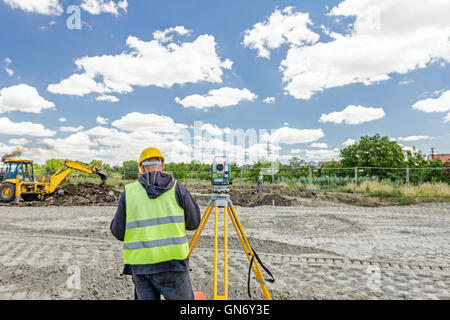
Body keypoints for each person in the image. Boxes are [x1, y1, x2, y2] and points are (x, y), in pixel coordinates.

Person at [110, 147, 201, 300]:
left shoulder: (129, 192)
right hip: (173, 264)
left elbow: (118, 232)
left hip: (141, 267)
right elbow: (194, 222)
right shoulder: (177, 188)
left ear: (141, 168)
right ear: (162, 167)